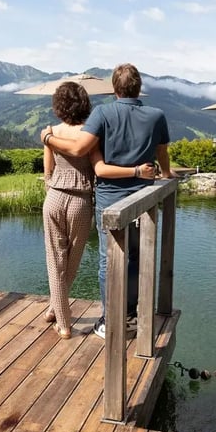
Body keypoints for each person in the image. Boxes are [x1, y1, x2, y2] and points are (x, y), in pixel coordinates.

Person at [41, 63, 172, 340]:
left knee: (106, 260)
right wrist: (167, 176)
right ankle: (131, 314)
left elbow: (74, 155)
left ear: (114, 89)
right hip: (142, 197)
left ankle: (107, 317)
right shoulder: (157, 116)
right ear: (139, 88)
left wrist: (48, 137)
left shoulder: (102, 113)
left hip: (105, 197)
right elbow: (163, 155)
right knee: (136, 258)